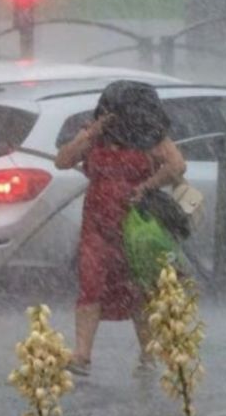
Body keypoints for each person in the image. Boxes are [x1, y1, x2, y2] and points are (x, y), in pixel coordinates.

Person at [54, 80, 187, 380]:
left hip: (134, 224)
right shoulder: (94, 134)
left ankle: (148, 354)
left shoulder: (151, 135)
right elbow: (62, 160)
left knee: (139, 288)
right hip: (97, 224)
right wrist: (91, 134)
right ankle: (82, 355)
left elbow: (177, 165)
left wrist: (145, 186)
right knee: (91, 284)